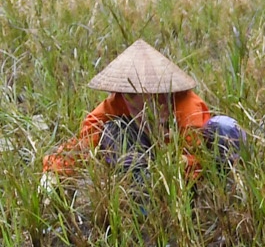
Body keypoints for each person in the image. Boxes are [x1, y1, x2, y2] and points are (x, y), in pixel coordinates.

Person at [43, 39, 245, 179]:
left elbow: (196, 154)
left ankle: (233, 187)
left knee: (224, 128)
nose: (132, 103)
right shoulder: (118, 103)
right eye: (130, 96)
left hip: (194, 170)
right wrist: (53, 170)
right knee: (116, 131)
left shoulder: (185, 105)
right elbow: (85, 143)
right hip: (149, 166)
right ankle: (143, 200)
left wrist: (179, 162)